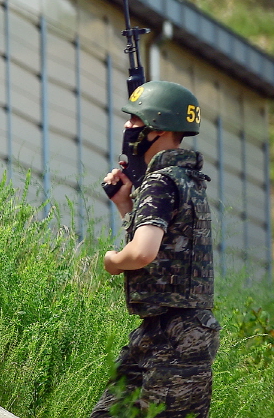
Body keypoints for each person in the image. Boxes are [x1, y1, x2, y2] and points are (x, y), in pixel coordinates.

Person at [93, 80, 218, 418]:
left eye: (136, 120)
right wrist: (125, 205)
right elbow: (165, 248)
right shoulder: (186, 179)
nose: (127, 126)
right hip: (163, 332)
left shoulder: (160, 181)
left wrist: (114, 262)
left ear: (158, 130)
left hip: (176, 339)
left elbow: (144, 252)